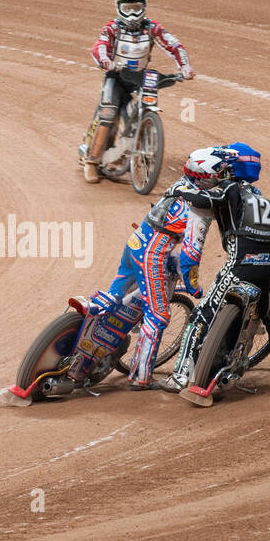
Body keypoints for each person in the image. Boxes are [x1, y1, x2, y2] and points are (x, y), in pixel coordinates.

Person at [166, 143, 270, 391]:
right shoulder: (263, 201)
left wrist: (181, 190)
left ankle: (180, 376)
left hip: (239, 265)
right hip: (268, 268)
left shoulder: (227, 189)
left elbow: (204, 200)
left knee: (201, 314)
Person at [81, 148, 228, 390]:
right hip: (152, 254)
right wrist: (193, 286)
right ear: (207, 179)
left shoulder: (182, 183)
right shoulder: (200, 209)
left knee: (114, 298)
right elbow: (190, 255)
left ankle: (92, 339)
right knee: (158, 315)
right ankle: (141, 377)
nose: (222, 178)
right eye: (219, 174)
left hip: (136, 241)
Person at [82, 0, 194, 183]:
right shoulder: (112, 28)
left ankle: (128, 151)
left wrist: (185, 67)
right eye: (127, 8)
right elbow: (99, 47)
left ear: (144, 7)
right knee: (108, 115)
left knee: (137, 112)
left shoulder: (152, 28)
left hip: (140, 78)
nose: (132, 13)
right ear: (119, 8)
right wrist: (105, 61)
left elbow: (174, 45)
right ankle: (91, 162)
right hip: (116, 77)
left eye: (136, 8)